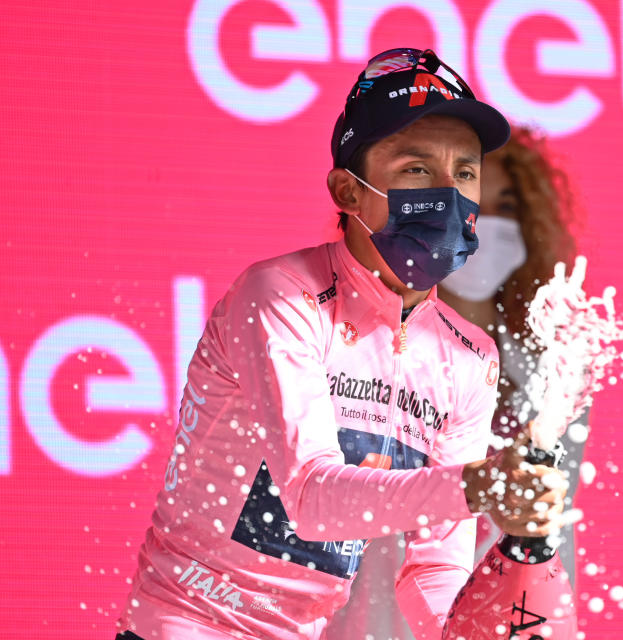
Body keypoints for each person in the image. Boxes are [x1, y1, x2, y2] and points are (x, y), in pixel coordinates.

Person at [116, 48, 568, 640]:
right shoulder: (279, 294)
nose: (447, 194)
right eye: (415, 169)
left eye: (463, 172)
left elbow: (433, 566)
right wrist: (483, 485)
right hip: (186, 625)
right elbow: (311, 497)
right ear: (346, 191)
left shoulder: (469, 356)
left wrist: (480, 609)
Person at [327, 126, 585, 640]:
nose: (482, 223)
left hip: (512, 610)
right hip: (373, 610)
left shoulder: (552, 363)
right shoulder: (357, 340)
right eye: (467, 203)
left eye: (505, 206)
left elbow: (543, 509)